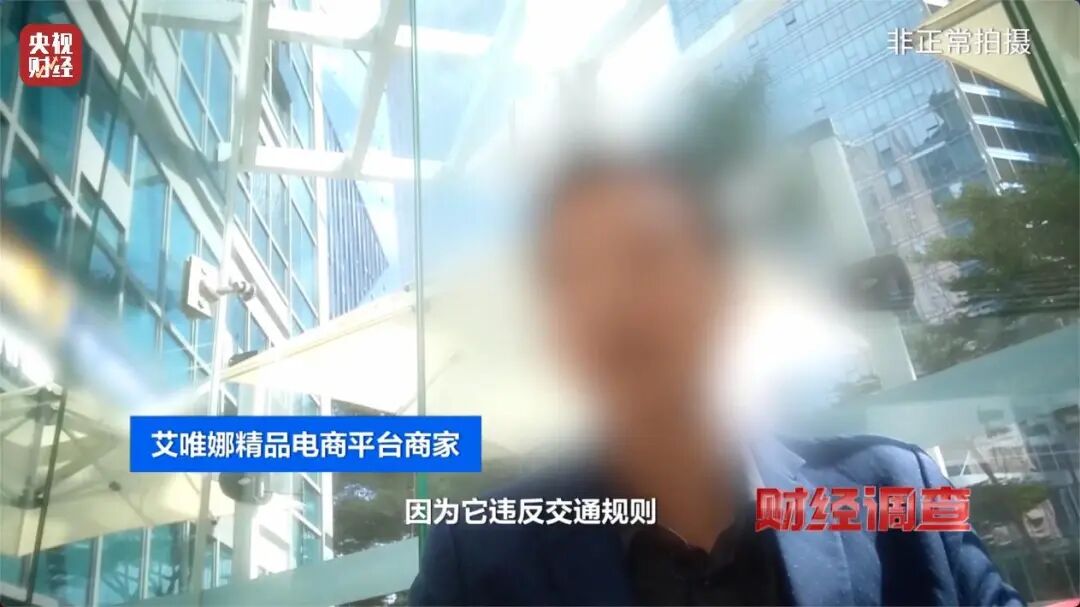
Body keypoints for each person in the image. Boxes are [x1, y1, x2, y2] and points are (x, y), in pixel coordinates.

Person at [409, 148, 1024, 606]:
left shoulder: (898, 492)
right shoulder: (477, 557)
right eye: (572, 279)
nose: (610, 305)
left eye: (645, 257)